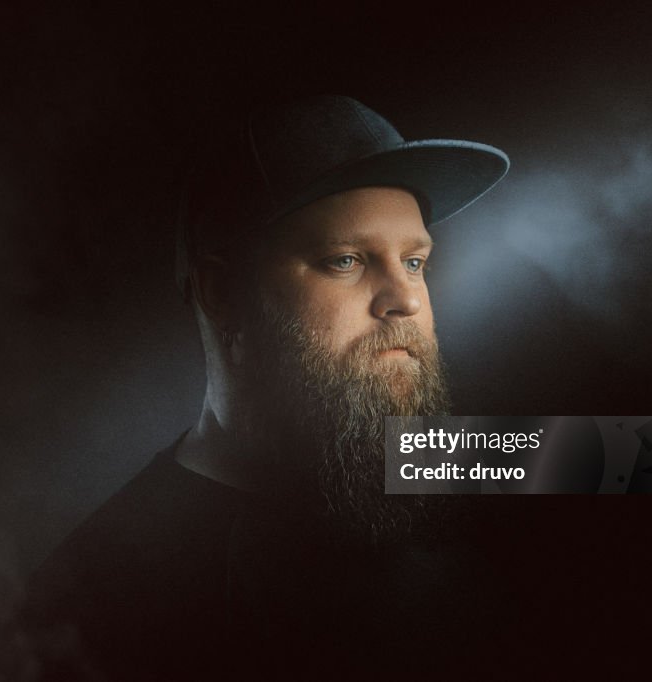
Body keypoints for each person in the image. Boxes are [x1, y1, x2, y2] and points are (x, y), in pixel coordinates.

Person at [25, 95, 510, 681]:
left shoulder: (433, 460)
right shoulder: (98, 603)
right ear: (222, 292)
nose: (406, 299)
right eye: (346, 260)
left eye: (414, 262)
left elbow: (638, 457)